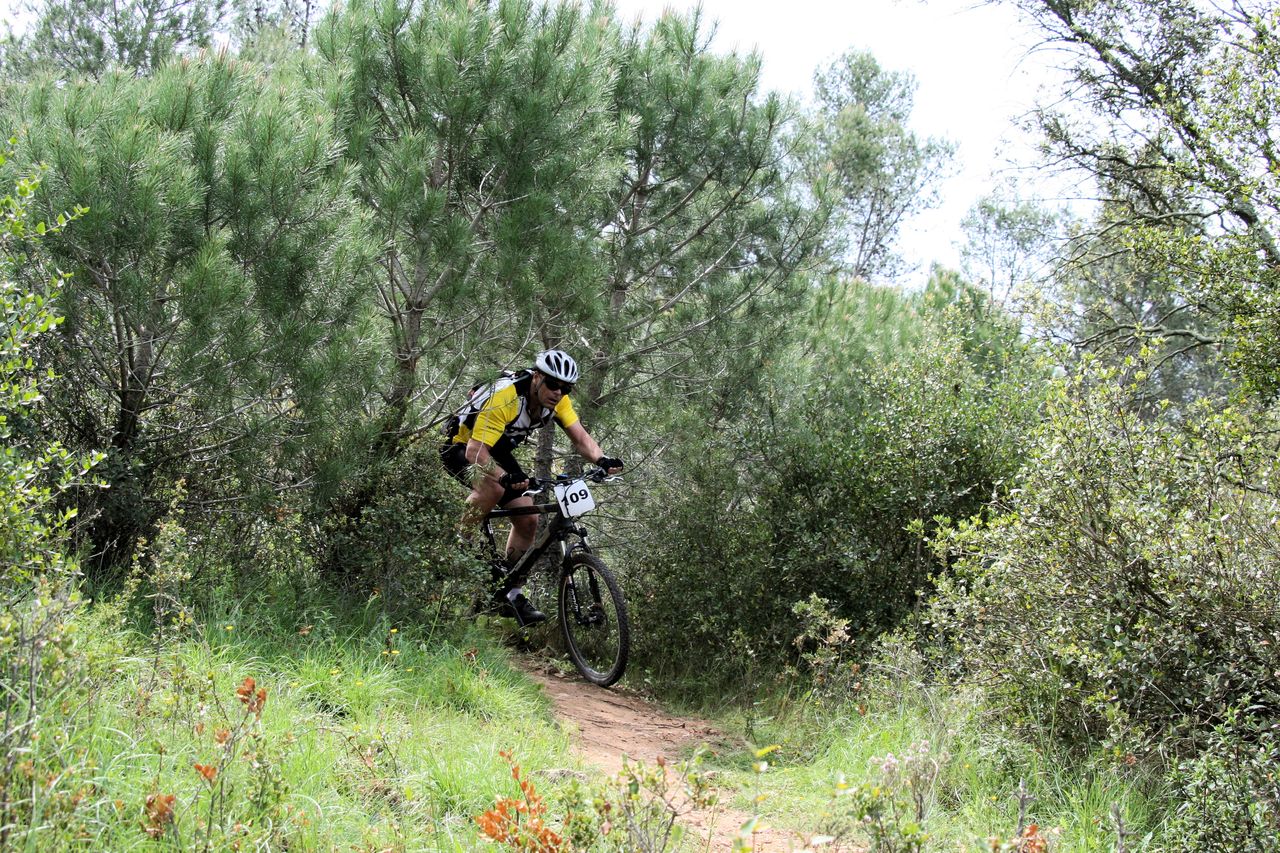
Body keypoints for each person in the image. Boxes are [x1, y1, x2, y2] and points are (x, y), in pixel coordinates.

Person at [439, 348, 623, 626]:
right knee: (494, 489)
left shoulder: (558, 401)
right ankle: (457, 544)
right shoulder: (506, 397)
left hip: (495, 451)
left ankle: (508, 593)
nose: (558, 392)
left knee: (529, 519)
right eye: (553, 384)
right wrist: (503, 477)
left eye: (566, 388)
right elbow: (475, 452)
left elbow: (581, 438)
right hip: (461, 446)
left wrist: (602, 459)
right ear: (536, 377)